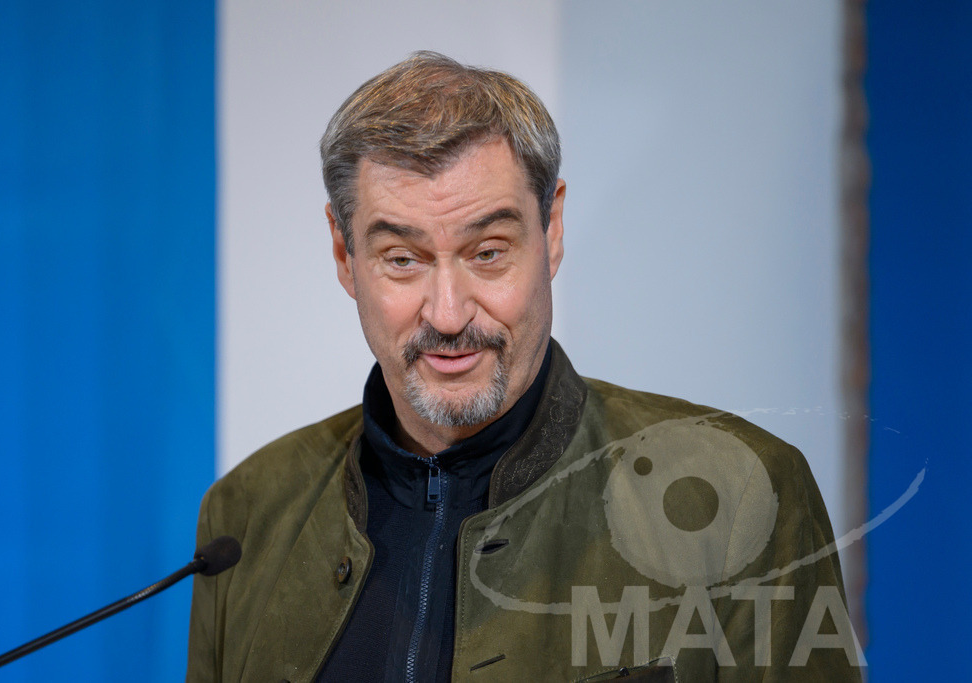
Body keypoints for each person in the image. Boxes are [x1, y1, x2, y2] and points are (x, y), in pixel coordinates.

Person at [186, 52, 862, 682]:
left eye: (487, 252)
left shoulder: (739, 494)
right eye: (402, 259)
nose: (448, 313)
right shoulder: (247, 516)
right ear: (343, 254)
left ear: (553, 229)